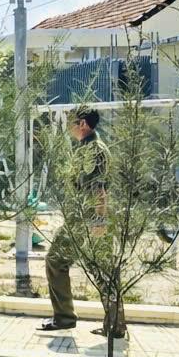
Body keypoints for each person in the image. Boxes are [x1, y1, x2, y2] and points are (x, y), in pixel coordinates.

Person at [38, 107, 125, 338]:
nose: (69, 128)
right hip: (89, 218)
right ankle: (115, 326)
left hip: (87, 219)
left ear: (83, 124)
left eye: (71, 123)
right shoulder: (89, 148)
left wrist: (99, 219)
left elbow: (100, 188)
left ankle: (65, 318)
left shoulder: (94, 150)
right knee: (103, 270)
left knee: (56, 261)